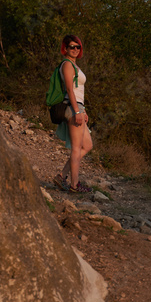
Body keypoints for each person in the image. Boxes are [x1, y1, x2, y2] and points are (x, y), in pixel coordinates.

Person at [53, 34, 93, 193]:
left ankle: (62, 176)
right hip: (72, 107)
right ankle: (74, 186)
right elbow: (70, 90)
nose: (75, 49)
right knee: (76, 148)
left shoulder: (74, 65)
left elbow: (78, 90)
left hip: (78, 107)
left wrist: (83, 110)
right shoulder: (67, 65)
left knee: (87, 145)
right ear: (65, 48)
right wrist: (77, 111)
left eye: (78, 46)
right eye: (72, 46)